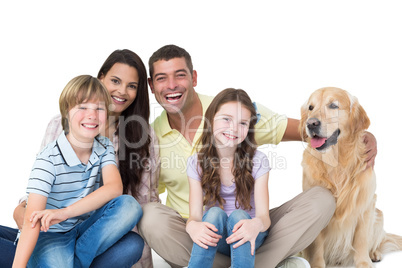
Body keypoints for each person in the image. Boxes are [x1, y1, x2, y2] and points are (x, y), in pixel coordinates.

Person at [138, 44, 377, 268]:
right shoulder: (150, 137)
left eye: (180, 75)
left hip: (254, 229)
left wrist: (362, 135)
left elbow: (308, 130)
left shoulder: (233, 107)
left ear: (194, 78)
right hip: (197, 238)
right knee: (149, 215)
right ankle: (268, 263)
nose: (172, 85)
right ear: (151, 85)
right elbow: (141, 191)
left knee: (322, 200)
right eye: (162, 78)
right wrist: (192, 227)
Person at [1, 49, 159, 268]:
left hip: (88, 232)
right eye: (115, 80)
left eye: (132, 86)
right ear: (101, 78)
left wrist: (64, 213)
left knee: (132, 238)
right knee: (46, 251)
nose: (122, 91)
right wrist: (24, 211)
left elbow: (123, 194)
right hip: (51, 233)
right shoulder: (52, 149)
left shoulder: (108, 145)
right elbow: (34, 212)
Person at [186, 88, 271, 268]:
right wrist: (192, 226)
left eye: (242, 123)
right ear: (211, 119)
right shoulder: (196, 163)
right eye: (226, 119)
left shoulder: (258, 160)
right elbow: (194, 215)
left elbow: (264, 217)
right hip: (219, 236)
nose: (233, 128)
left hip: (252, 232)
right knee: (214, 213)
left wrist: (255, 225)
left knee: (240, 217)